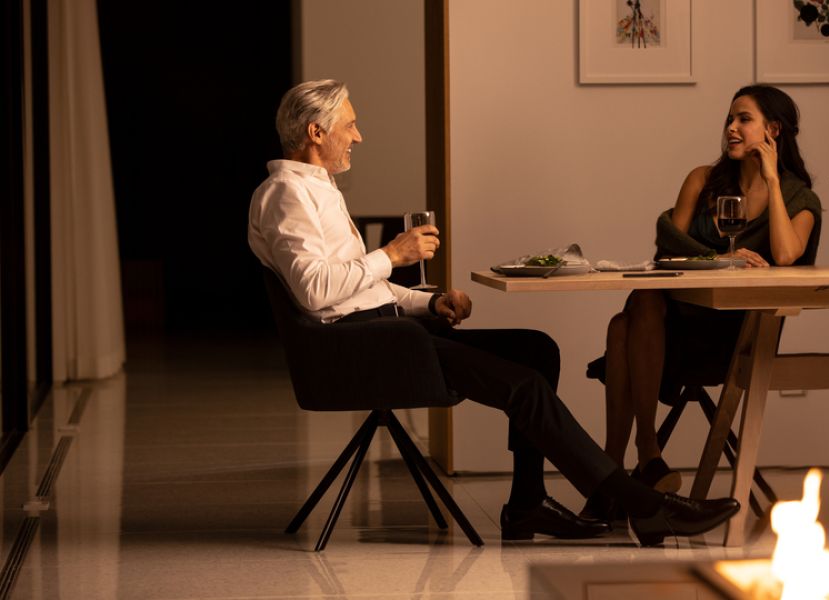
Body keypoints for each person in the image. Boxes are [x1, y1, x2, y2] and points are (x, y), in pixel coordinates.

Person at [248, 79, 740, 546]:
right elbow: (315, 291)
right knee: (521, 386)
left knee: (534, 350)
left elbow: (360, 287)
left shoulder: (319, 189)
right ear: (316, 132)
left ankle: (527, 503)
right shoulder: (285, 195)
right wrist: (393, 255)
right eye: (348, 125)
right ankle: (643, 504)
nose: (358, 134)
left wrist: (428, 302)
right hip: (360, 349)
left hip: (386, 332)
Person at [582, 85, 822, 521]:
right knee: (636, 309)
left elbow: (787, 254)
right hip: (670, 330)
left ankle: (615, 473)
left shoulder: (798, 197)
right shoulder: (702, 181)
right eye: (728, 119)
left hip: (734, 335)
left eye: (743, 119)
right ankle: (640, 459)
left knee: (623, 325)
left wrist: (771, 178)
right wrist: (719, 259)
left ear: (773, 131)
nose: (730, 128)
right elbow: (667, 247)